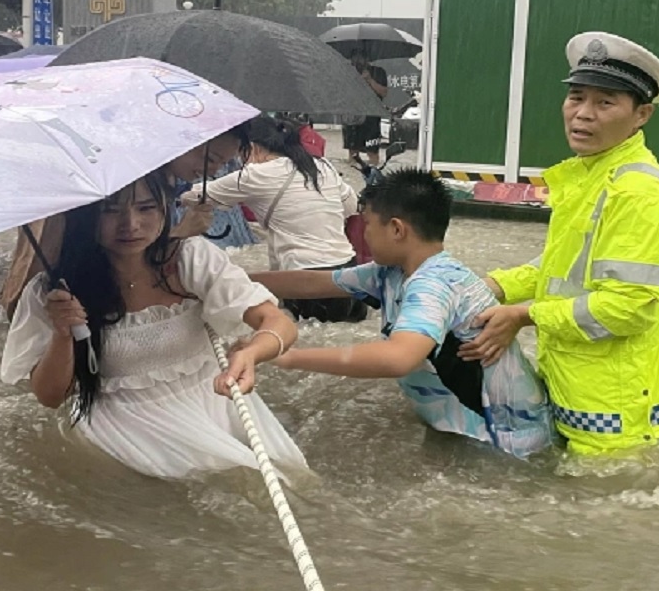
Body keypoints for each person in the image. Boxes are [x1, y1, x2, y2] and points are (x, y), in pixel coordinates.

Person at [225, 168, 554, 459]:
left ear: (397, 229)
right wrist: (226, 280)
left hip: (506, 444)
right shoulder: (392, 272)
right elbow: (313, 282)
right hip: (467, 429)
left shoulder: (433, 285)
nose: (364, 234)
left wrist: (288, 357)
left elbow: (398, 358)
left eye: (368, 224)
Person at [462, 32, 659, 457]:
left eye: (605, 103)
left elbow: (629, 306)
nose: (583, 114)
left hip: (617, 415)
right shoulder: (589, 175)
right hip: (579, 390)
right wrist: (496, 285)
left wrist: (523, 315)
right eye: (576, 98)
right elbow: (562, 267)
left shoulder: (637, 192)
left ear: (642, 114)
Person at [1, 172, 308, 478]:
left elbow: (278, 323)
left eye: (146, 208)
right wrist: (63, 333)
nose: (131, 224)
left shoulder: (190, 259)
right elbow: (51, 397)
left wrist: (251, 353)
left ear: (165, 207)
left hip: (219, 405)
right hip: (130, 430)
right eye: (110, 211)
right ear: (85, 216)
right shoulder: (54, 291)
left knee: (289, 480)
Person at [0, 125, 249, 319]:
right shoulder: (110, 179)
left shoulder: (171, 181)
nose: (213, 172)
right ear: (183, 140)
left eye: (222, 164)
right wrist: (180, 232)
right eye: (210, 159)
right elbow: (85, 252)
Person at [181, 116, 368, 323]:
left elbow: (192, 195)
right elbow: (352, 206)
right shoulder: (322, 166)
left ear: (253, 148)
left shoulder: (255, 175)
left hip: (305, 282)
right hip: (349, 276)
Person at [342, 50, 387, 170]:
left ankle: (373, 172)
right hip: (352, 115)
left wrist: (369, 80)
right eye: (354, 58)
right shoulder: (346, 72)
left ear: (367, 59)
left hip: (371, 116)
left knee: (372, 150)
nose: (357, 61)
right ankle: (354, 172)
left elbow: (383, 92)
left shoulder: (378, 72)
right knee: (353, 152)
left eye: (360, 58)